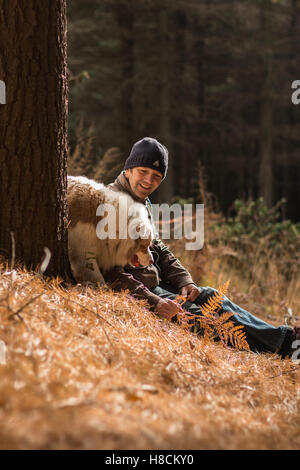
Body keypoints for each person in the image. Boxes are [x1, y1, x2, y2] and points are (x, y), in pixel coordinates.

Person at [104, 137, 300, 359]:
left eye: (156, 177)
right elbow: (111, 272)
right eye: (143, 171)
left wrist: (184, 281)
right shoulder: (112, 205)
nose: (149, 181)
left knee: (212, 296)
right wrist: (155, 302)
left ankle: (287, 340)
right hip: (141, 292)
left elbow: (158, 249)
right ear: (128, 169)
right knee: (206, 319)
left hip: (158, 285)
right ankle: (284, 348)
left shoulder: (140, 203)